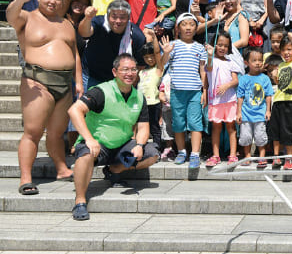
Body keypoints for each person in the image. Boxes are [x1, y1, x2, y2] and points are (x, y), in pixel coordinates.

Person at [68, 54, 160, 220]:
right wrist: (89, 139)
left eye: (133, 69)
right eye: (125, 69)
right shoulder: (101, 91)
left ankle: (113, 170)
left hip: (122, 146)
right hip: (97, 144)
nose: (130, 73)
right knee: (85, 154)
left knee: (152, 153)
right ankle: (80, 201)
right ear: (114, 72)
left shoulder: (138, 97)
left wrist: (139, 145)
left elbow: (143, 127)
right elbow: (74, 110)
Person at [9, 0, 79, 194]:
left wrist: (79, 82)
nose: (53, 1)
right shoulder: (27, 17)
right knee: (32, 132)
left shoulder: (66, 23)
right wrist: (19, 0)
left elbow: (75, 52)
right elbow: (10, 17)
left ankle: (61, 168)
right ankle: (26, 177)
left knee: (57, 133)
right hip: (37, 81)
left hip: (65, 84)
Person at [161, 13, 207, 169]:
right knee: (179, 123)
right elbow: (162, 65)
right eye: (184, 24)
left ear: (196, 28)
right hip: (176, 91)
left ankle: (195, 154)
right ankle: (181, 151)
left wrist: (204, 90)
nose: (188, 27)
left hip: (194, 91)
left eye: (192, 24)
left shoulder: (200, 47)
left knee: (195, 123)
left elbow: (203, 71)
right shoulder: (173, 45)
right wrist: (166, 52)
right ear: (178, 28)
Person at [79, 0, 147, 88]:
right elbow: (84, 33)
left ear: (129, 18)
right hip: (90, 76)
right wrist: (87, 18)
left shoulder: (137, 36)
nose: (118, 21)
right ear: (107, 16)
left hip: (118, 82)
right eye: (114, 17)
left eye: (122, 17)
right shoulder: (99, 22)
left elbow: (140, 65)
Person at [205, 31, 241, 166]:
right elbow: (208, 67)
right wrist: (209, 54)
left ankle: (232, 155)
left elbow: (235, 80)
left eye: (225, 46)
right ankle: (216, 155)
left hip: (230, 100)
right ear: (214, 45)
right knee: (216, 128)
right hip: (215, 101)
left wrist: (227, 85)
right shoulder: (211, 60)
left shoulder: (231, 61)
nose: (222, 48)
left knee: (231, 128)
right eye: (219, 45)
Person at [271, 32, 292, 170]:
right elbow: (280, 84)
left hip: (291, 101)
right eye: (283, 50)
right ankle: (276, 156)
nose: (286, 52)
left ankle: (289, 158)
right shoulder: (281, 65)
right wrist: (274, 77)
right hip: (278, 100)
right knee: (275, 131)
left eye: (289, 49)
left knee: (288, 131)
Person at [237, 47, 273, 168]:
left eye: (260, 60)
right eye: (254, 60)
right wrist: (238, 113)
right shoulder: (244, 79)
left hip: (260, 114)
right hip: (246, 114)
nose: (258, 63)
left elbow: (268, 95)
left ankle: (261, 156)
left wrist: (268, 110)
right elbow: (240, 97)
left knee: (260, 136)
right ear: (247, 63)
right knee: (246, 136)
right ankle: (247, 156)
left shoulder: (265, 78)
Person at [137, 42, 164, 155]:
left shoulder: (158, 69)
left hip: (154, 103)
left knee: (154, 127)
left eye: (151, 56)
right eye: (146, 57)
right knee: (141, 127)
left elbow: (159, 55)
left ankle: (157, 149)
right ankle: (141, 148)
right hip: (141, 104)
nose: (149, 59)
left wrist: (154, 37)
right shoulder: (141, 72)